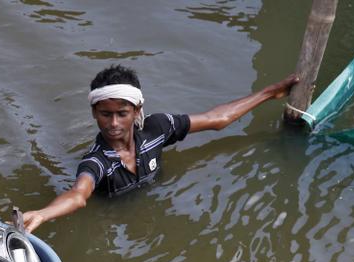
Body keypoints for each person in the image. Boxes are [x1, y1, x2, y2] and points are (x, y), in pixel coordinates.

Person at [21, 64, 299, 233]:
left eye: (123, 113)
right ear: (94, 113)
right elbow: (79, 195)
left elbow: (217, 120)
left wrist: (270, 92)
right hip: (115, 211)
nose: (114, 123)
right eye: (106, 114)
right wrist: (43, 214)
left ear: (137, 110)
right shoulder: (96, 162)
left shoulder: (157, 128)